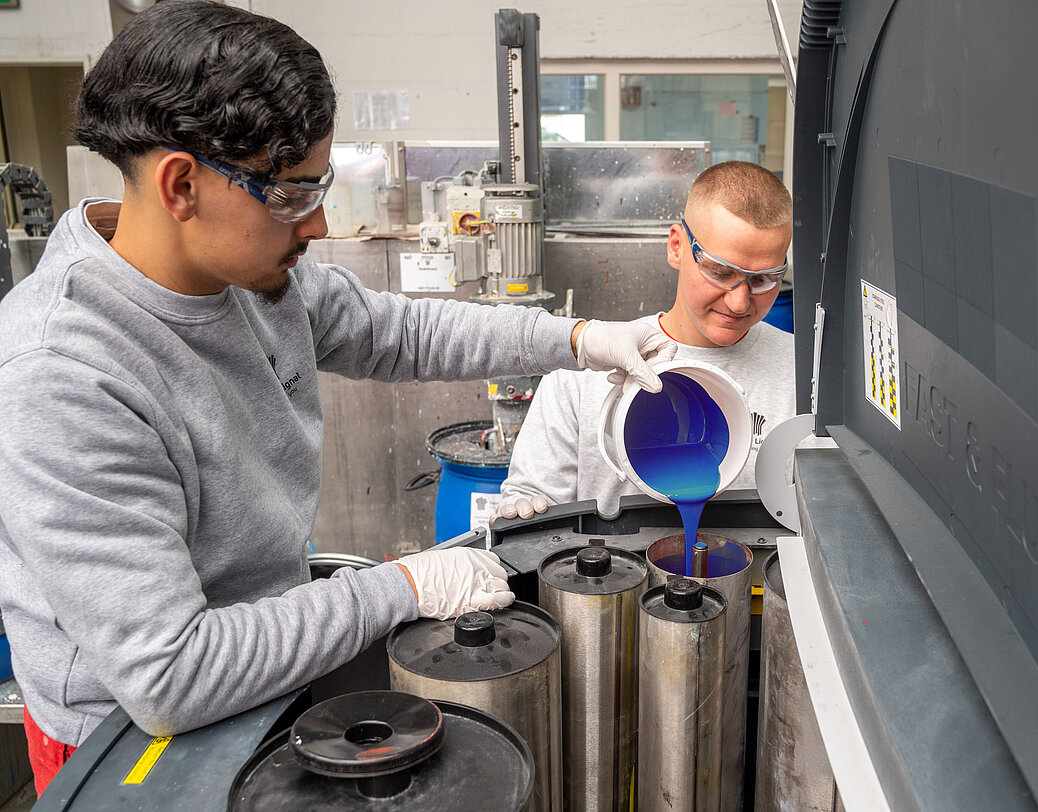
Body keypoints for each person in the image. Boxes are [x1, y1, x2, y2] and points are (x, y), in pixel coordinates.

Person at [0, 1, 675, 795]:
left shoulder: (249, 275)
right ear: (181, 183)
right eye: (290, 193)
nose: (318, 222)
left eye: (320, 184)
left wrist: (576, 340)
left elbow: (403, 333)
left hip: (265, 663)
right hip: (128, 744)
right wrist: (405, 586)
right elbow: (169, 673)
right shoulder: (64, 374)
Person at [499, 161, 797, 520]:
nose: (739, 301)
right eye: (720, 272)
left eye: (763, 279)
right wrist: (521, 513)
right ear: (676, 247)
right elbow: (533, 503)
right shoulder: (582, 373)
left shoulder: (803, 375)